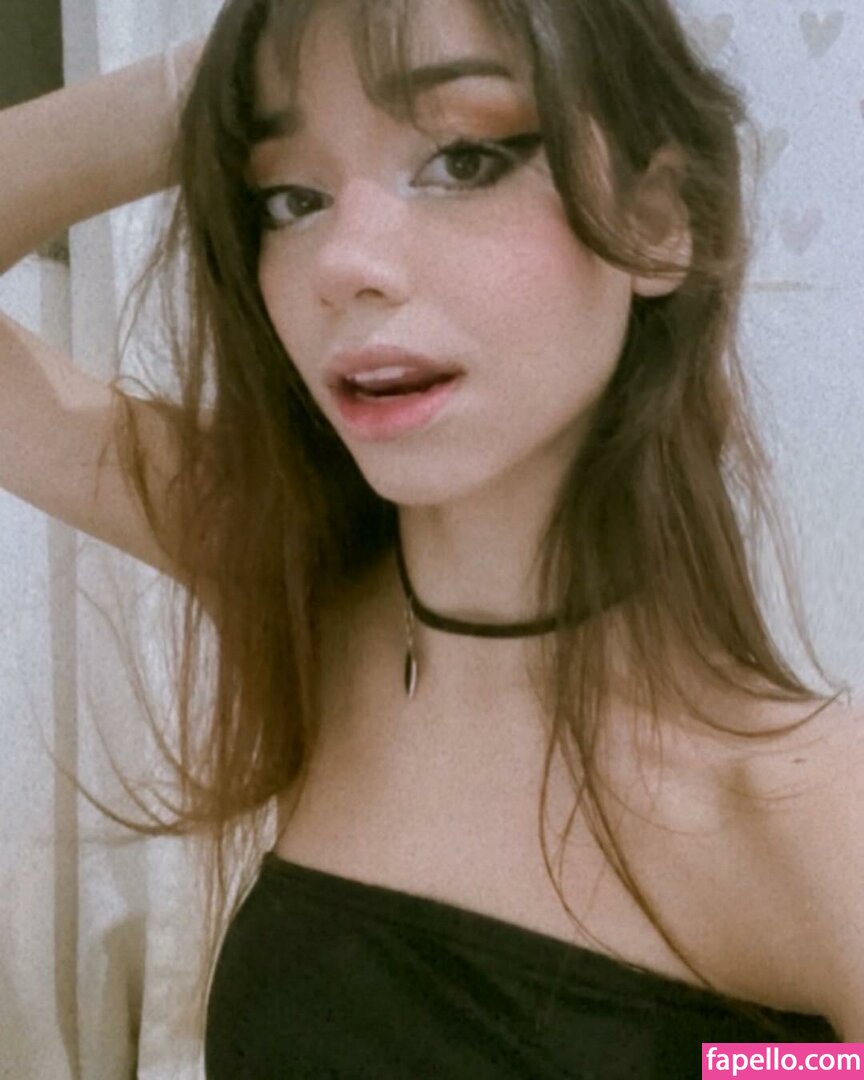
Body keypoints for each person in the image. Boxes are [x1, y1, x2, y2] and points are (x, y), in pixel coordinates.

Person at [1, 0, 862, 1075]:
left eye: (463, 160)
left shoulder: (809, 816)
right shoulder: (306, 593)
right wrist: (219, 79)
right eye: (291, 195)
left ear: (656, 219)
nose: (343, 262)